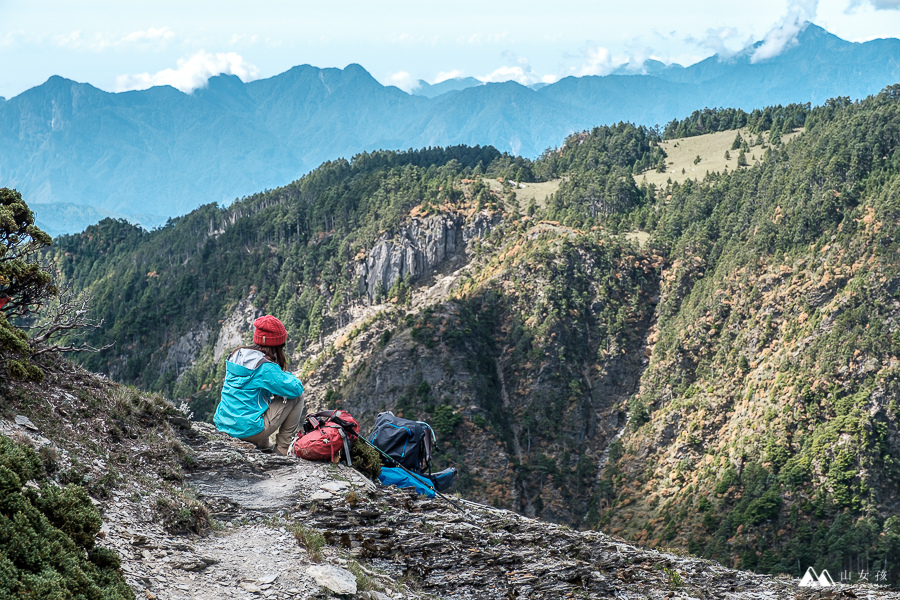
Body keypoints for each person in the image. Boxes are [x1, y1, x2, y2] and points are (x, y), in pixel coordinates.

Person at [214, 315, 305, 455]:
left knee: (251, 400)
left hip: (223, 425)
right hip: (247, 430)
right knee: (297, 397)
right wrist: (285, 375)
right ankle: (281, 450)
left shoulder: (236, 355)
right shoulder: (265, 367)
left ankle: (262, 444)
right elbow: (296, 389)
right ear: (277, 343)